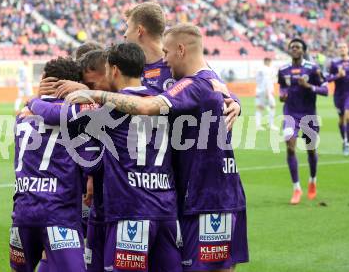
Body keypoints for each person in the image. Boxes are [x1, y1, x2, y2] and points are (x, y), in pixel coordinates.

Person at [66, 24, 248, 272]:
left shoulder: (195, 83)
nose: (165, 59)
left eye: (168, 52)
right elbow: (215, 92)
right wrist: (235, 101)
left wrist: (95, 95)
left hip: (209, 198)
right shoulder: (208, 81)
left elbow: (146, 106)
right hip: (187, 199)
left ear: (181, 49)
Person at [29, 43, 183, 272]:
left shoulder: (109, 108)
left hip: (130, 209)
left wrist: (32, 100)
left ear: (114, 70)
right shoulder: (159, 101)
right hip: (167, 211)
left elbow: (55, 114)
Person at [10, 57, 86, 272]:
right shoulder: (78, 116)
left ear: (43, 78)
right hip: (59, 213)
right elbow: (91, 165)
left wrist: (33, 98)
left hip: (23, 211)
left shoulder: (22, 117)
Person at [278, 38, 328, 205]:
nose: (294, 49)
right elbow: (282, 87)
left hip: (309, 115)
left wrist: (309, 87)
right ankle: (296, 188)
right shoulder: (283, 69)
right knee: (290, 147)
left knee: (311, 151)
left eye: (297, 47)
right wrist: (282, 94)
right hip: (290, 114)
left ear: (303, 50)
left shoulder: (313, 68)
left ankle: (312, 180)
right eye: (292, 47)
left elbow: (325, 89)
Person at [124, 2, 175, 93]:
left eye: (127, 27)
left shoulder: (176, 67)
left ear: (139, 30)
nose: (125, 35)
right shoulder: (126, 67)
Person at [327, 42, 349, 156]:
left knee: (348, 117)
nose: (342, 49)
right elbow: (328, 78)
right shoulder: (334, 63)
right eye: (340, 47)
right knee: (341, 120)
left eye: (344, 47)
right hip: (339, 95)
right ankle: (343, 140)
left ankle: (348, 143)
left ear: (347, 49)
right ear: (337, 50)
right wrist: (338, 76)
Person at [255, 57, 278, 131]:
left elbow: (258, 80)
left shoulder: (260, 69)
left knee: (260, 108)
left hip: (259, 90)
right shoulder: (267, 70)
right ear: (268, 62)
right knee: (272, 106)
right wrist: (268, 92)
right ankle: (271, 125)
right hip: (265, 91)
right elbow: (266, 81)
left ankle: (258, 125)